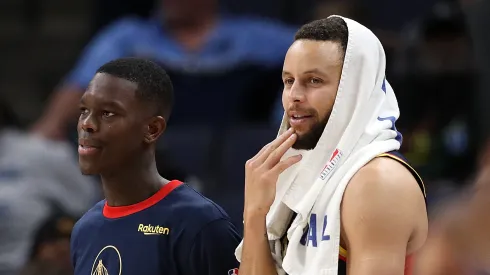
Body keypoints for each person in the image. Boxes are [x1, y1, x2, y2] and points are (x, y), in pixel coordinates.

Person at [237, 16, 427, 275]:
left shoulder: (378, 182)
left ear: (355, 90)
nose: (294, 96)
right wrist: (255, 214)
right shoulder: (298, 172)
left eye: (314, 81)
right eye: (289, 81)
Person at [70, 57, 241, 275]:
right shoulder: (84, 230)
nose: (87, 124)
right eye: (84, 110)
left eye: (107, 113)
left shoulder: (198, 224)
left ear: (152, 129)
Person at [31, 0, 296, 140]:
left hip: (238, 157)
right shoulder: (127, 37)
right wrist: (50, 126)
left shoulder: (256, 38)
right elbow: (80, 85)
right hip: (145, 157)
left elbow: (321, 50)